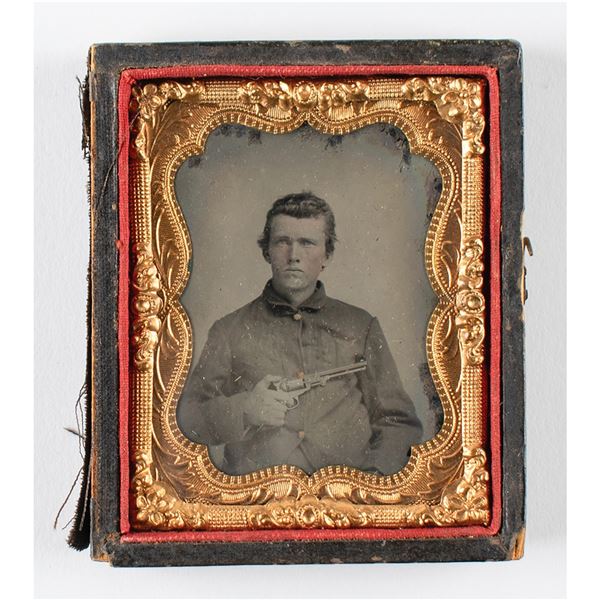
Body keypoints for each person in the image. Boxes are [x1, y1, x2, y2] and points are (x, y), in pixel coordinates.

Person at [177, 192, 422, 475]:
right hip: (260, 500)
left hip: (346, 497)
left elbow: (398, 421)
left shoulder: (361, 325)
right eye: (283, 242)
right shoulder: (228, 329)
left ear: (327, 254)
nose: (294, 256)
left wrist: (369, 482)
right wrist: (244, 409)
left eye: (307, 243)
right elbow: (188, 417)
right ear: (266, 251)